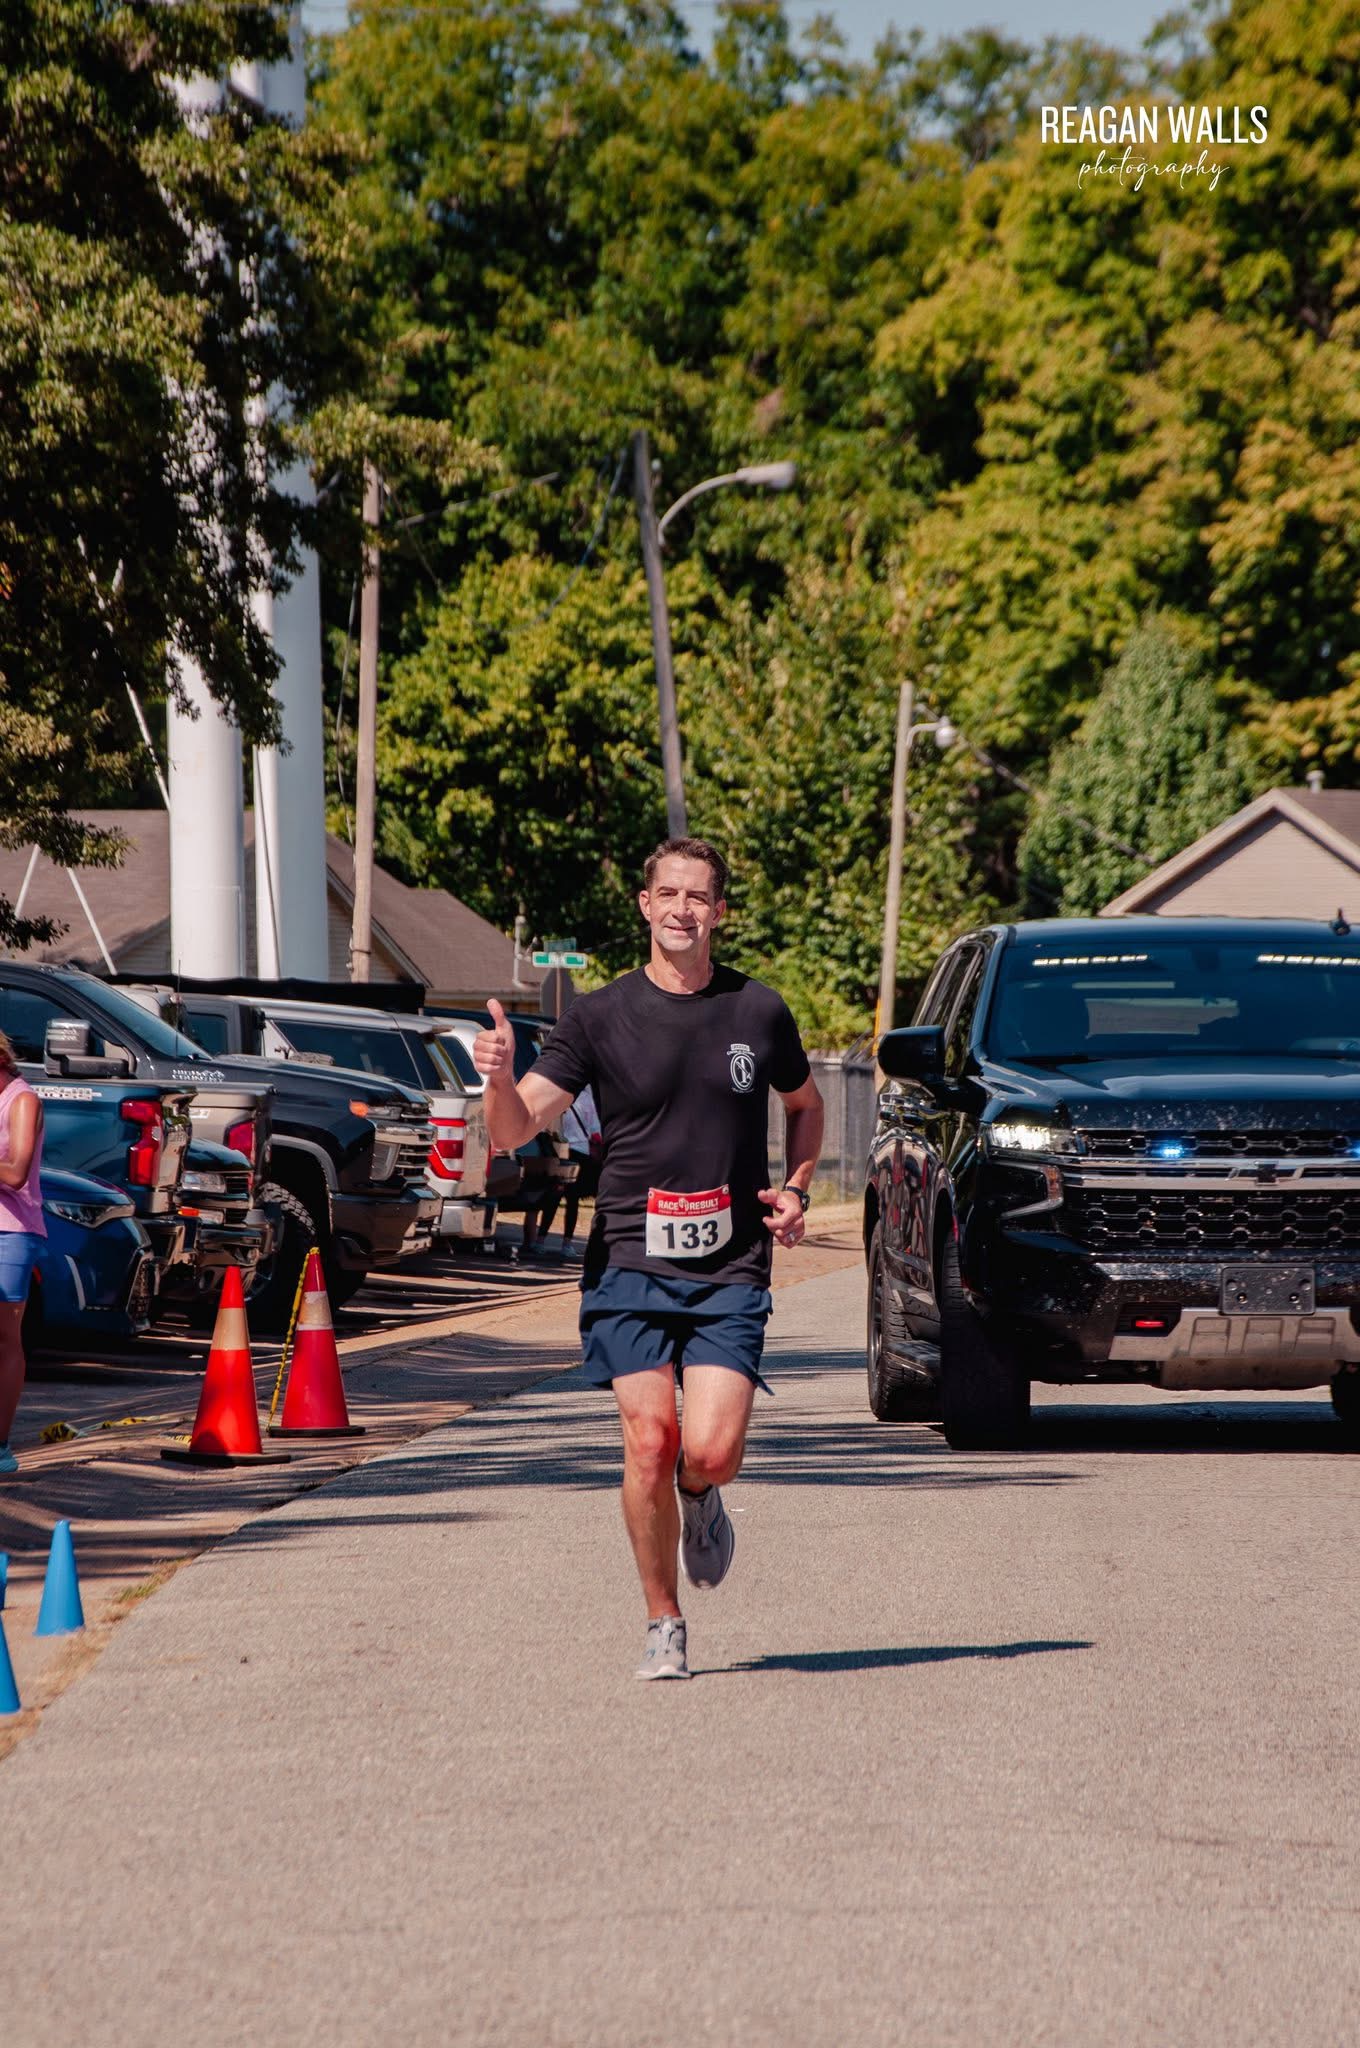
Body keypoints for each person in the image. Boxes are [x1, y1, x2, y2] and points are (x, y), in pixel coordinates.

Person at [473, 837, 823, 1680]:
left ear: (719, 912)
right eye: (668, 894)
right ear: (645, 904)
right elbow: (514, 1129)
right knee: (650, 1440)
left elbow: (806, 1106)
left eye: (697, 897)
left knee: (710, 1452)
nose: (681, 909)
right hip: (629, 1258)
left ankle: (702, 1498)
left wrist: (797, 1188)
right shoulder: (599, 1017)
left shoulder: (758, 1011)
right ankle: (663, 1618)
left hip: (730, 1263)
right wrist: (498, 1077)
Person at [0, 1031, 45, 1475]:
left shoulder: (22, 1099)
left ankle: (1, 1444)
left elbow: (15, 1173)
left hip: (10, 1230)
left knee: (5, 1336)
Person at [537, 1084, 601, 1256]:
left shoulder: (561, 1096)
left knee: (554, 1197)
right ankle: (567, 1244)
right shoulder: (589, 1100)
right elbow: (595, 1131)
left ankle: (540, 1240)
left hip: (561, 1150)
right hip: (582, 1153)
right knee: (573, 1201)